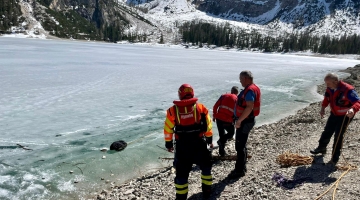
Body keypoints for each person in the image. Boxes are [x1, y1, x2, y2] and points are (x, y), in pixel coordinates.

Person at [163, 83, 214, 200]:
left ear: (180, 95)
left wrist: (168, 143)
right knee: (206, 168)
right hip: (199, 145)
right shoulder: (201, 108)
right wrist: (210, 139)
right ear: (192, 93)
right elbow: (208, 126)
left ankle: (181, 197)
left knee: (181, 173)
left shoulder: (172, 111)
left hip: (182, 148)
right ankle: (207, 191)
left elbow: (168, 129)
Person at [310, 73, 360, 165]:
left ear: (336, 81)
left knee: (338, 135)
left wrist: (353, 109)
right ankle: (321, 148)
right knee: (327, 131)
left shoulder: (348, 90)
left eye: (328, 83)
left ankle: (334, 158)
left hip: (345, 116)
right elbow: (326, 99)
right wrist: (322, 108)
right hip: (334, 114)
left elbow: (357, 102)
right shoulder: (330, 88)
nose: (326, 86)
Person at [229, 70, 261, 179]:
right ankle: (242, 167)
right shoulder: (251, 88)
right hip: (246, 120)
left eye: (241, 79)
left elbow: (249, 106)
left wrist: (239, 121)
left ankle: (239, 171)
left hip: (245, 121)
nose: (240, 81)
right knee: (242, 145)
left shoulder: (250, 90)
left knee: (239, 146)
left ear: (246, 78)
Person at [213, 86, 239, 156]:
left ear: (231, 91)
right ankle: (220, 142)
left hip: (219, 119)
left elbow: (215, 106)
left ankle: (222, 152)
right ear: (237, 93)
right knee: (231, 133)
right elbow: (237, 111)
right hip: (228, 120)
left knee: (221, 134)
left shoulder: (223, 96)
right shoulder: (237, 99)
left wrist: (214, 116)